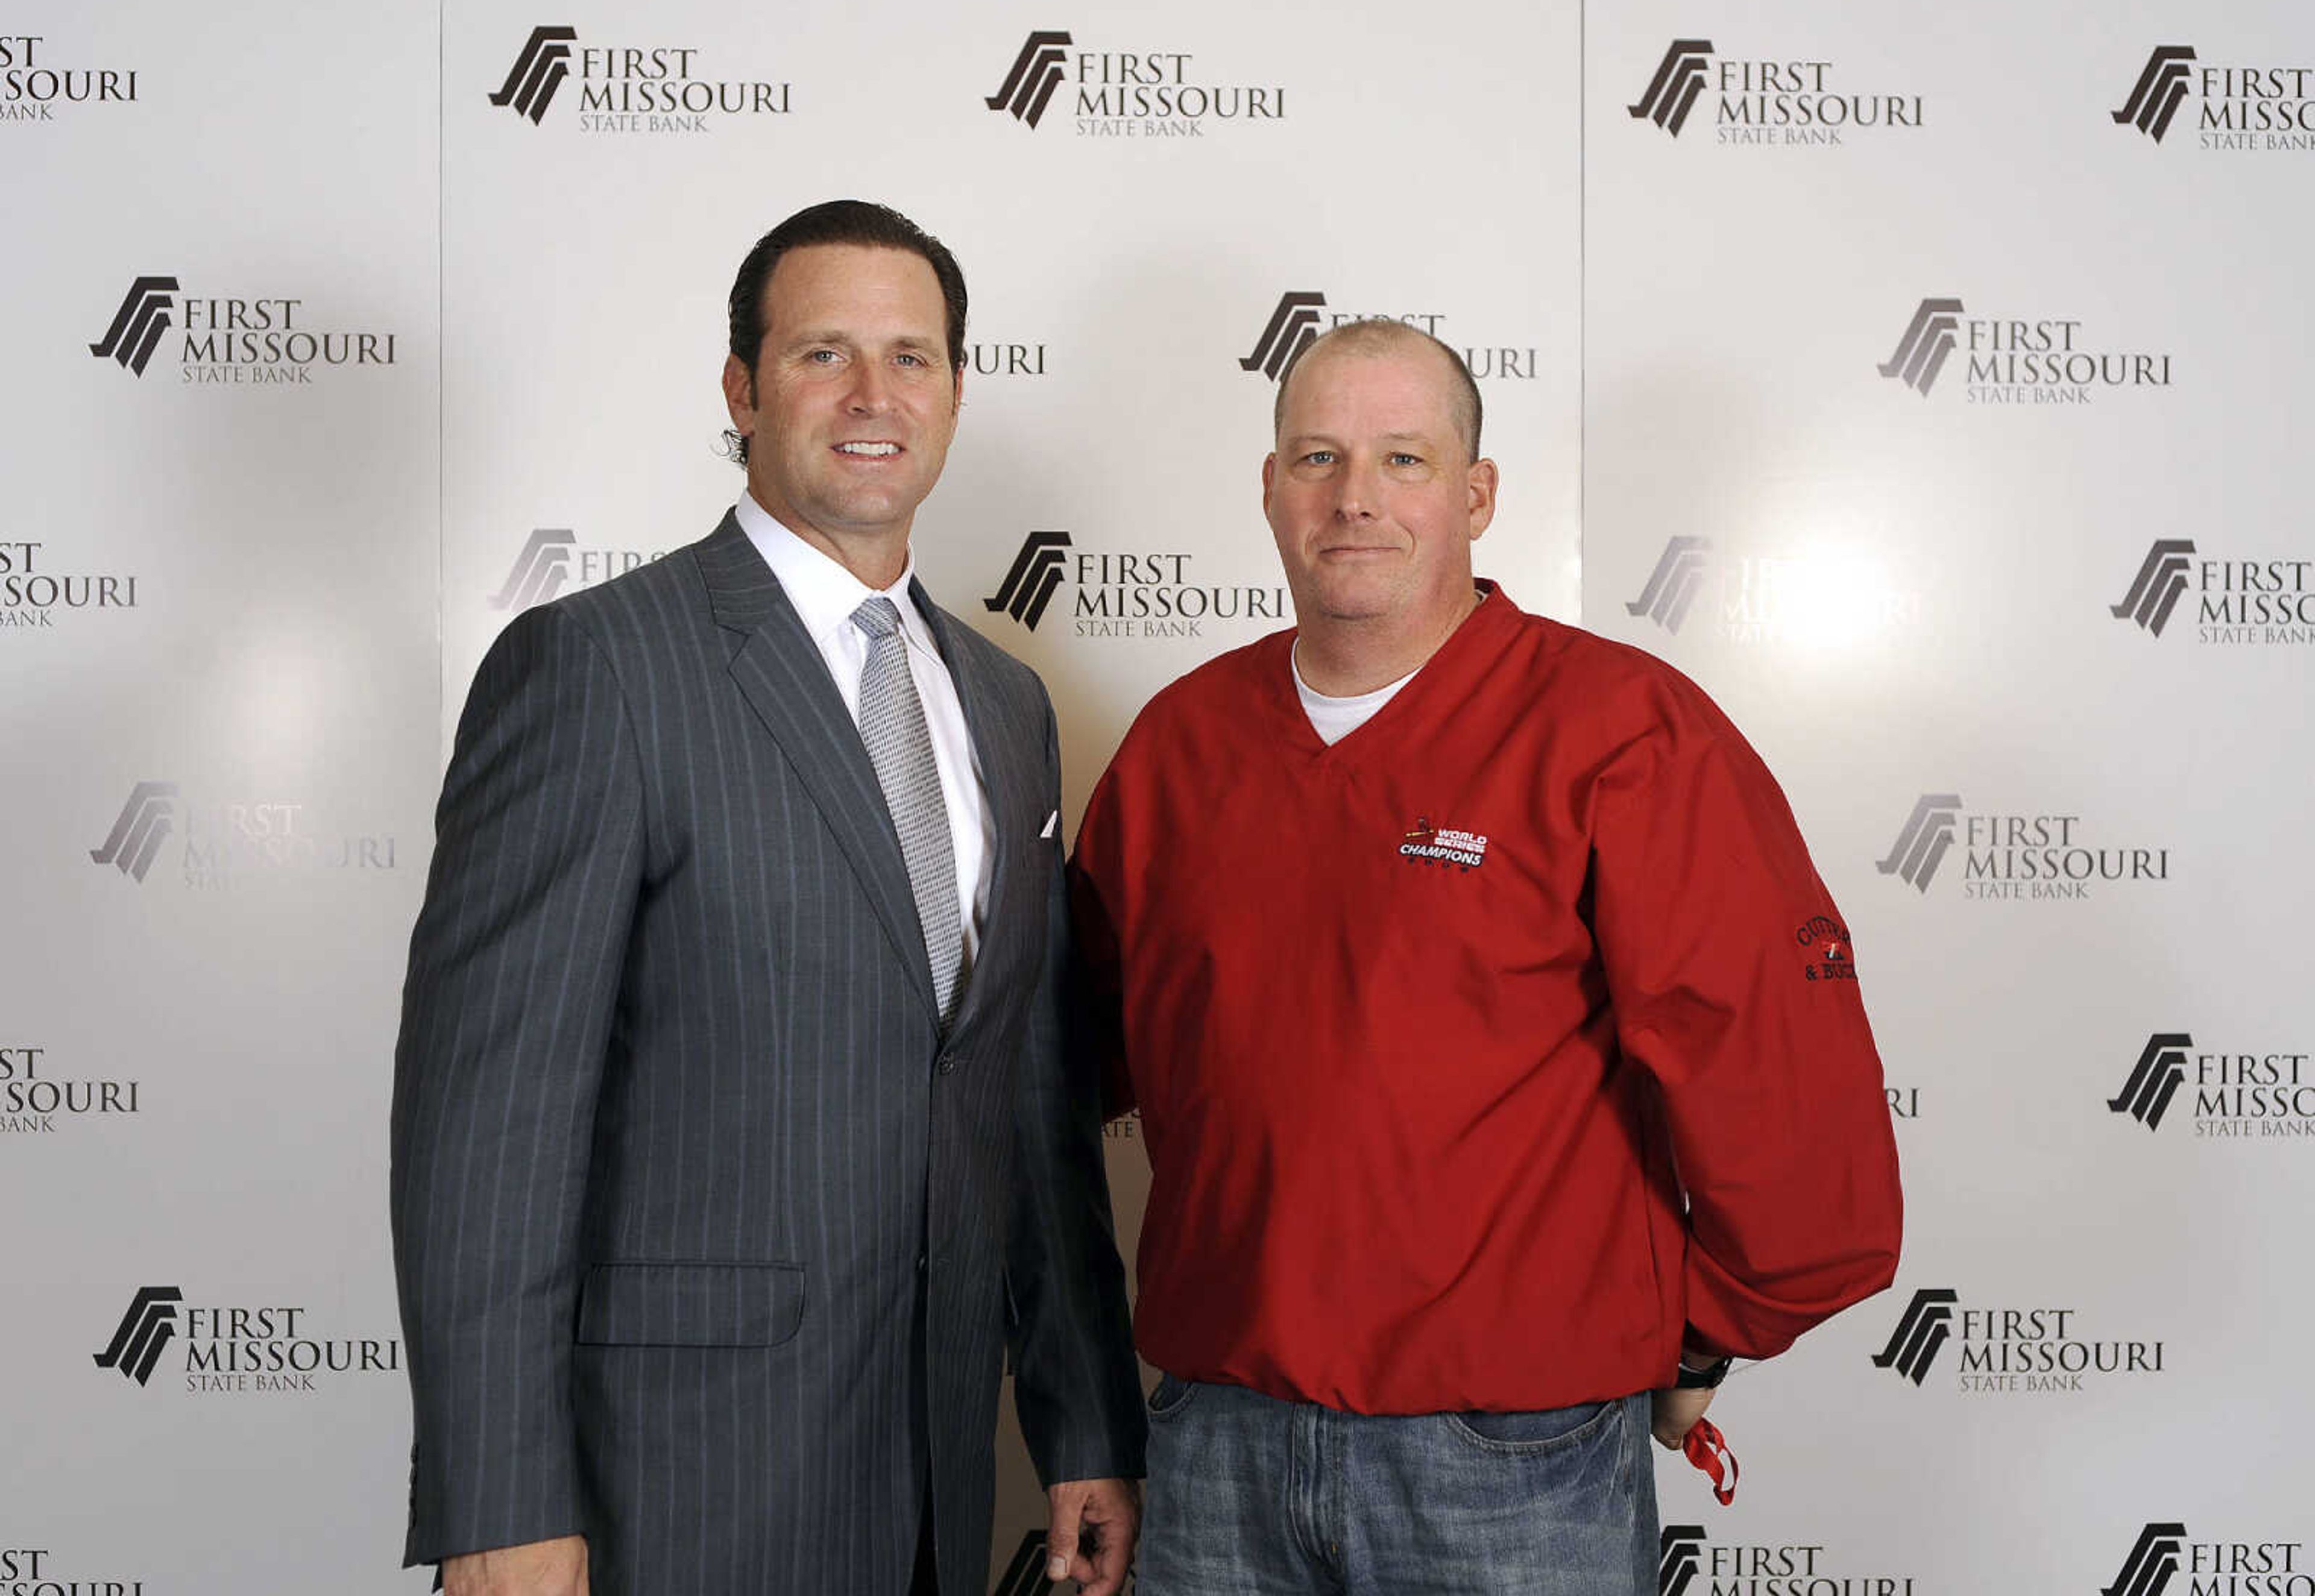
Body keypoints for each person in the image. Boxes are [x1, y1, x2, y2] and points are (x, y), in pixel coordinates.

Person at [1068, 319, 1903, 1594]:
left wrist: (1698, 1337)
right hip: (1216, 1444)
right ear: (1270, 486)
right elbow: (1062, 1064)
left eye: (1404, 459)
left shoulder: (1619, 733)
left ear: (1476, 494)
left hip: (1511, 1457)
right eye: (1318, 457)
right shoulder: (1182, 747)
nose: (1355, 498)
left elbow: (1775, 1072)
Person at [389, 200, 1144, 1596]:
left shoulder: (1006, 703)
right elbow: (486, 1134)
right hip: (671, 1486)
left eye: (913, 358)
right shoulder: (598, 670)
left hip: (933, 1471)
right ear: (741, 390)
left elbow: (1027, 1104)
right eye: (823, 356)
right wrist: (497, 1504)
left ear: (958, 394)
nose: (874, 398)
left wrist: (1085, 1420)